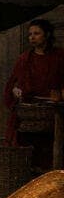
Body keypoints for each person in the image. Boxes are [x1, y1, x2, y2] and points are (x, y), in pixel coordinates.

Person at [4, 19, 64, 148]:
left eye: (37, 33)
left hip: (54, 109)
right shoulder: (25, 59)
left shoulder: (59, 56)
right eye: (30, 34)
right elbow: (13, 84)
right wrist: (15, 90)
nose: (32, 37)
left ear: (47, 35)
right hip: (29, 111)